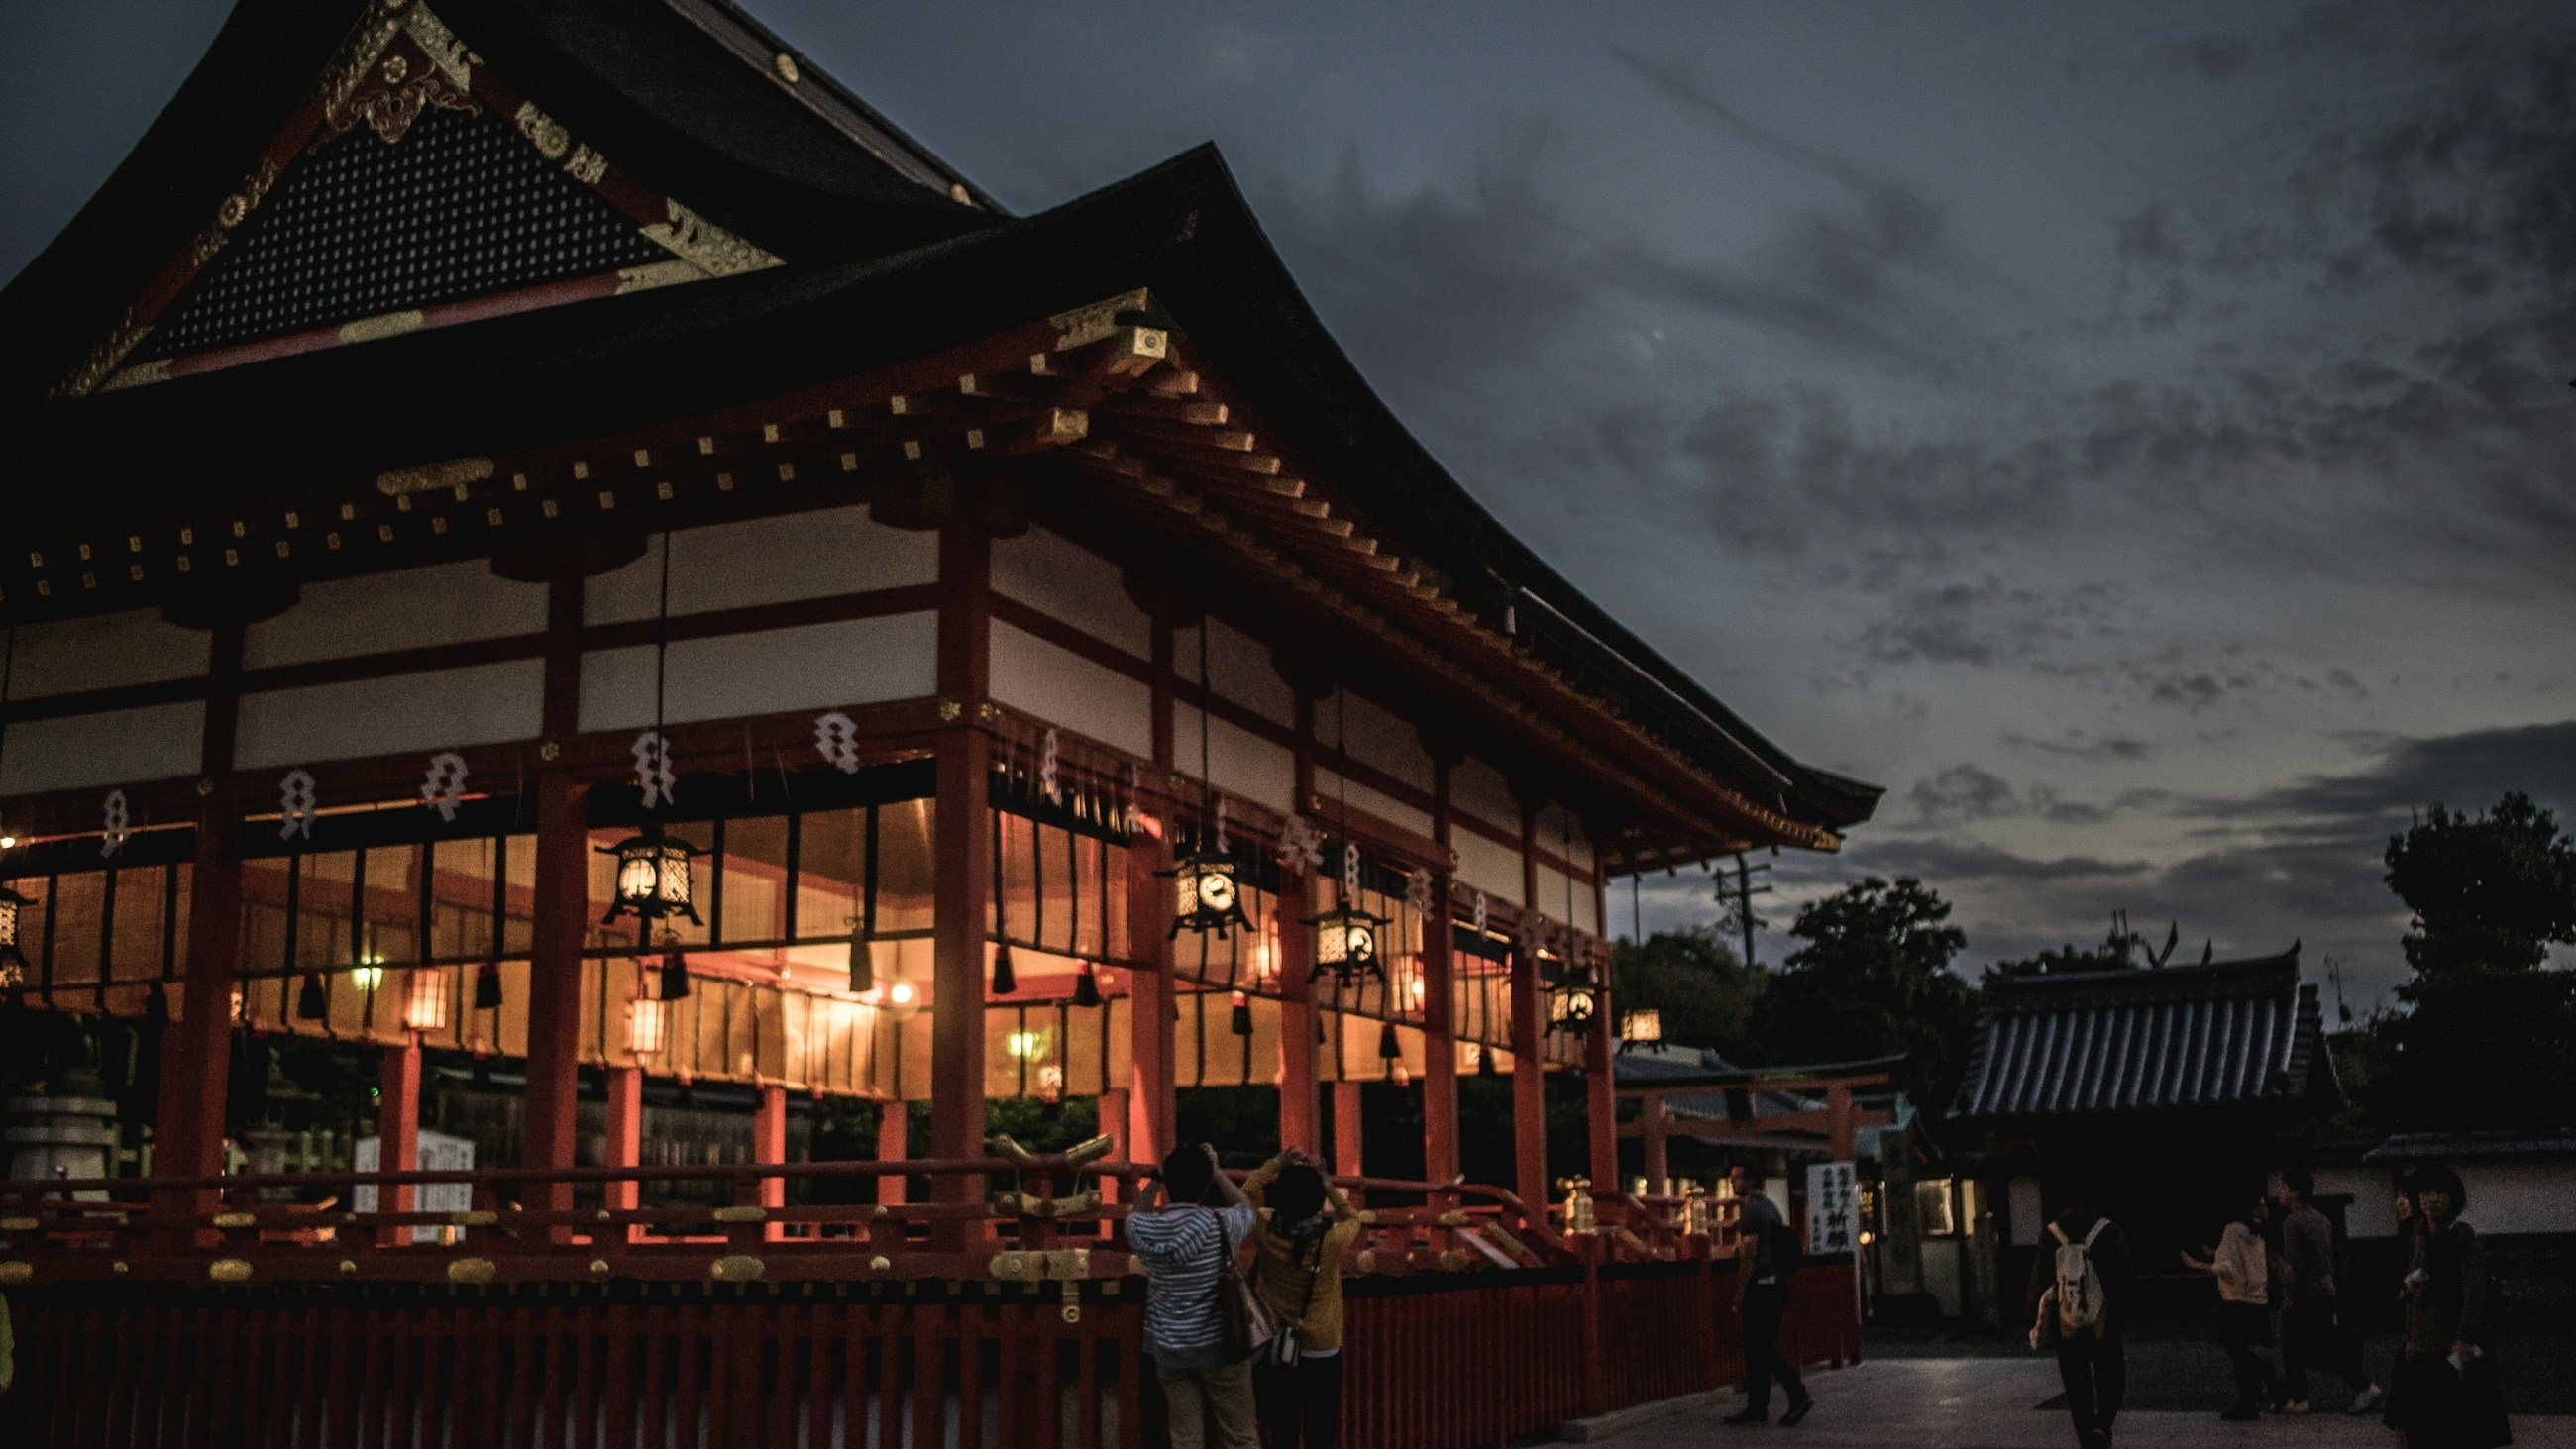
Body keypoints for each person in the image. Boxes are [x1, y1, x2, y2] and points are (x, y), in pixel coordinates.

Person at [1126, 1142, 1260, 1449]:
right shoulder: (1221, 1225)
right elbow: (1247, 1210)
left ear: (1168, 1183)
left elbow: (1135, 1214)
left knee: (1186, 1441)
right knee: (1240, 1438)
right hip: (1221, 1344)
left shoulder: (1144, 1229)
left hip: (1171, 1348)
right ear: (1204, 1182)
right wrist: (1216, 1172)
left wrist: (1159, 1176)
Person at [1243, 1148, 1365, 1449]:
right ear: (1317, 1200)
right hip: (1322, 1347)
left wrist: (1274, 1163)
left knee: (1282, 1429)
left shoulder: (1264, 1232)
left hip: (1278, 1346)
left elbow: (1243, 1195)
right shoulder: (1332, 1240)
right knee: (1320, 1429)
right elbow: (1353, 1217)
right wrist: (1325, 1182)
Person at [2385, 1163, 2510, 1449]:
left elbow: (2475, 1290)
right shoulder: (2420, 1234)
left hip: (2451, 1342)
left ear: (2454, 1198)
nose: (2433, 1200)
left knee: (2453, 1426)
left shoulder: (2462, 1235)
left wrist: (2465, 1338)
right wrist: (2409, 1331)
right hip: (2421, 1341)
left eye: (2441, 1193)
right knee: (2411, 1419)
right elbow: (2412, 1291)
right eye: (2427, 1193)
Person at [2270, 1168, 2384, 1415]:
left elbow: (2294, 1267)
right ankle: (2356, 1386)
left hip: (2305, 1294)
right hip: (2325, 1291)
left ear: (2295, 1192)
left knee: (2296, 1346)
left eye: (2283, 1187)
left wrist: (2288, 1296)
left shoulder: (2292, 1222)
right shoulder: (2323, 1220)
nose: (2279, 1192)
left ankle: (2307, 1397)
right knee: (2315, 1344)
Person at [2023, 1203, 2132, 1449]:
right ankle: (2102, 1425)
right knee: (2112, 1376)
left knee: (2076, 1384)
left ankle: (2087, 1437)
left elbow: (2039, 1278)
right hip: (2104, 1320)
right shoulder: (2109, 1231)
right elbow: (2124, 1278)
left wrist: (2031, 1316)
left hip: (2067, 1321)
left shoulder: (2051, 1234)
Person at [1722, 1163, 1814, 1428]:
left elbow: (1749, 1252)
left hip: (1760, 1285)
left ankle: (1797, 1394)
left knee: (1760, 1346)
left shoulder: (1752, 1210)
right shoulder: (1771, 1207)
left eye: (1736, 1178)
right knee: (1760, 1346)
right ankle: (1757, 1406)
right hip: (1777, 1284)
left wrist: (1739, 1292)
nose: (1732, 1183)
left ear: (1750, 1180)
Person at [2180, 1190, 2280, 1421]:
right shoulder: (2256, 1233)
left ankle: (2261, 1392)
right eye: (2260, 1205)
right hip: (2257, 1299)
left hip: (2236, 1300)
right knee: (2242, 1352)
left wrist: (2201, 1265)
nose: (2263, 1209)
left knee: (2238, 1352)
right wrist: (2217, 1254)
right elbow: (2243, 1262)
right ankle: (2264, 1389)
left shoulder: (2234, 1230)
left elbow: (2228, 1267)